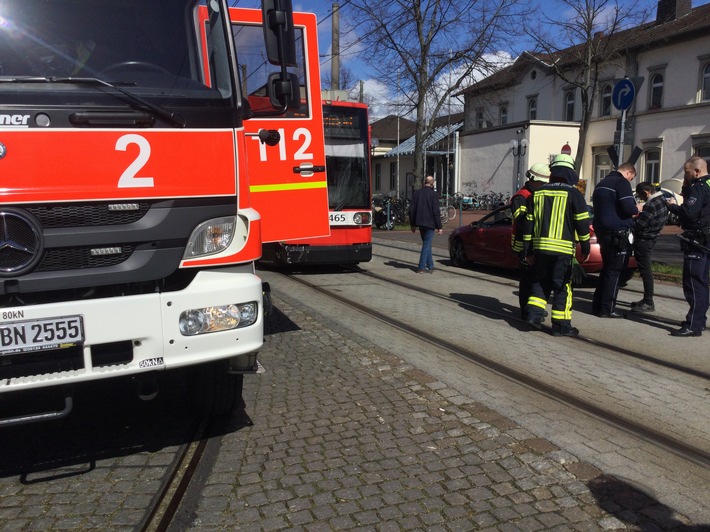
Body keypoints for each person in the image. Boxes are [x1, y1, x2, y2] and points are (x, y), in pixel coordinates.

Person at [523, 154, 591, 337]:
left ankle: (534, 316)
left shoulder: (537, 194)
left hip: (540, 249)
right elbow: (582, 224)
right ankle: (561, 326)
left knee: (540, 282)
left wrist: (527, 250)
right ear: (570, 173)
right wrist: (585, 247)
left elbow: (528, 224)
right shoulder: (575, 194)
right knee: (562, 286)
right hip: (563, 251)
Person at [665, 156, 710, 337]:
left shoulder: (698, 188)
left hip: (696, 241)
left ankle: (693, 325)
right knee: (702, 283)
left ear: (696, 171)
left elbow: (689, 213)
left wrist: (673, 207)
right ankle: (699, 321)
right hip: (706, 240)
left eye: (687, 172)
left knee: (693, 283)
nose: (686, 175)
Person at [591, 162, 639, 318]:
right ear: (629, 173)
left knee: (606, 270)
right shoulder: (621, 183)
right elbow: (628, 208)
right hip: (618, 234)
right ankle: (607, 308)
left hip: (602, 232)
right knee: (615, 272)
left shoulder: (601, 183)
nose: (630, 181)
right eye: (631, 178)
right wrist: (637, 208)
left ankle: (597, 305)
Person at [511, 162, 551, 319]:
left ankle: (534, 308)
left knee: (537, 278)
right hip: (523, 246)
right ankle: (525, 310)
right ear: (533, 180)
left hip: (535, 244)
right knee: (528, 280)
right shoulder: (521, 197)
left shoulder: (536, 195)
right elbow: (521, 223)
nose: (543, 186)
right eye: (542, 183)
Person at [631, 182, 669, 313]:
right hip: (652, 238)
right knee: (645, 271)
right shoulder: (662, 200)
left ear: (646, 192)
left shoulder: (651, 205)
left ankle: (648, 301)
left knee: (646, 272)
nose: (642, 199)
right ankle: (646, 299)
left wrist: (633, 220)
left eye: (641, 196)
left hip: (644, 240)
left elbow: (640, 225)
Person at [409, 175, 443, 273]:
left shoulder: (417, 193)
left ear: (425, 182)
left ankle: (430, 265)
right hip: (430, 223)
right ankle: (421, 267)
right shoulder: (433, 195)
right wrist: (439, 227)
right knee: (426, 244)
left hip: (420, 222)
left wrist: (413, 224)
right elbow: (436, 212)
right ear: (432, 183)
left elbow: (411, 210)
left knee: (427, 244)